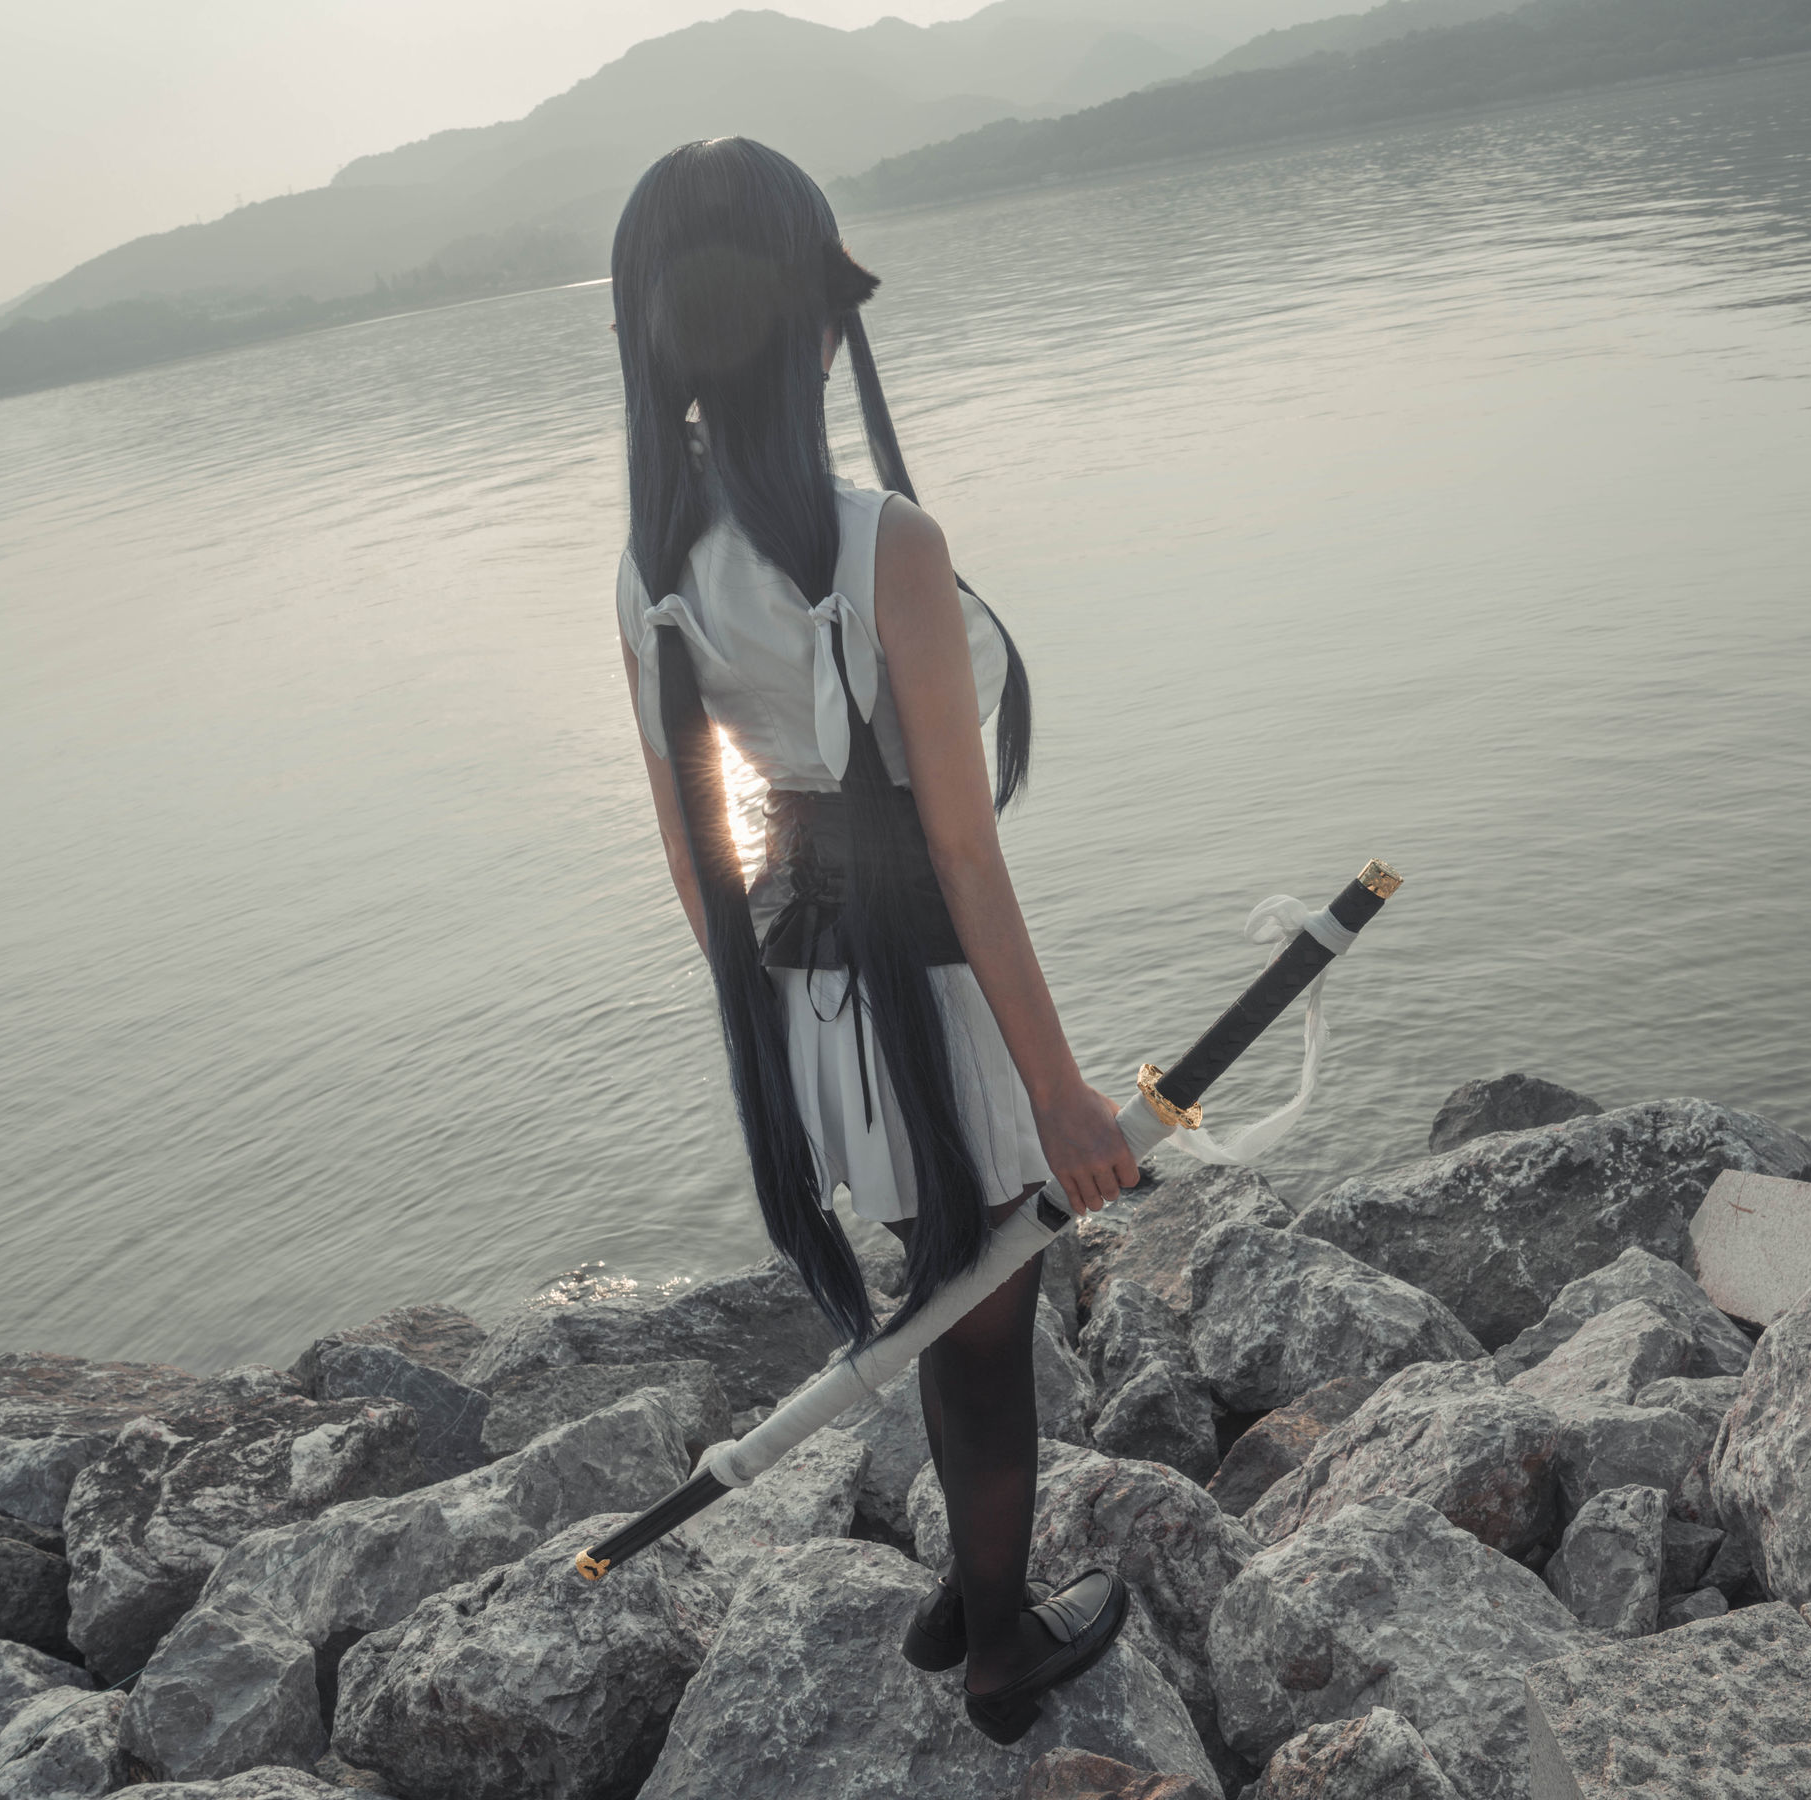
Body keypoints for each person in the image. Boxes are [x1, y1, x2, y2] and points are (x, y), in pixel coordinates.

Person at [608, 137, 1137, 1744]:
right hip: (935, 999)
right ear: (809, 327)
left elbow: (696, 862)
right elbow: (960, 849)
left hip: (807, 1000)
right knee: (984, 1326)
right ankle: (999, 1646)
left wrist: (782, 1052)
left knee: (942, 1278)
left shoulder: (649, 573)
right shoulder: (883, 542)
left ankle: (972, 1584)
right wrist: (1060, 1092)